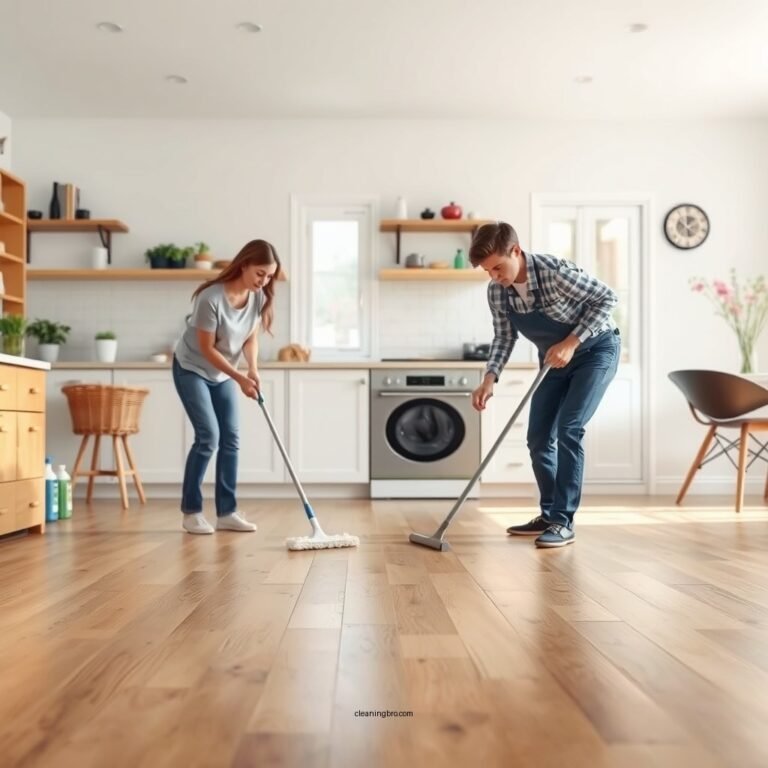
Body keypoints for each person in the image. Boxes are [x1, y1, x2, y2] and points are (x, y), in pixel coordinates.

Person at [469, 222, 620, 548]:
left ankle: (564, 521)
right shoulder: (497, 292)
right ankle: (550, 514)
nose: (495, 276)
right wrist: (489, 379)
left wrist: (571, 341)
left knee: (570, 427)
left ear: (516, 251)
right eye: (487, 271)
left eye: (498, 267)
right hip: (553, 361)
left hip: (595, 351)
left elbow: (607, 298)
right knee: (538, 437)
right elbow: (504, 336)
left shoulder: (555, 272)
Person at [172, 239, 280, 535]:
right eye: (260, 273)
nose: (264, 281)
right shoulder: (211, 298)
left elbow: (250, 338)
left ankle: (227, 512)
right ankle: (191, 512)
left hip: (222, 374)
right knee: (208, 436)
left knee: (231, 437)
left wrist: (253, 370)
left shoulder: (257, 298)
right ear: (243, 265)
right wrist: (239, 377)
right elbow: (207, 349)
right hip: (192, 368)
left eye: (269, 276)